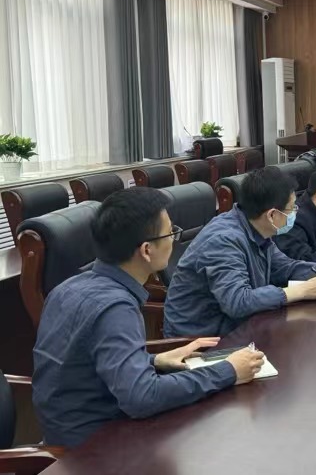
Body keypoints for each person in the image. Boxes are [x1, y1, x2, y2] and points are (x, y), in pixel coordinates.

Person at [32, 188, 266, 447]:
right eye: (170, 233)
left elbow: (86, 365)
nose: (173, 240)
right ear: (146, 250)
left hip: (66, 428)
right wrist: (228, 371)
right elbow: (141, 397)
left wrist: (153, 361)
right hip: (93, 446)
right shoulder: (116, 308)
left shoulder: (67, 287)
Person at [163, 166, 316, 338]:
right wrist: (299, 291)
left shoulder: (256, 229)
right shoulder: (224, 240)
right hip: (200, 341)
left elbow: (285, 267)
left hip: (239, 328)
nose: (294, 214)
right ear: (272, 214)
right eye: (291, 209)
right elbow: (237, 302)